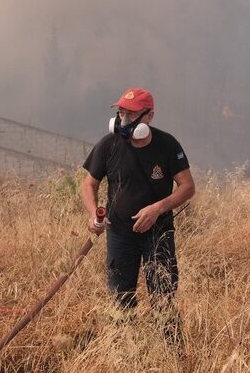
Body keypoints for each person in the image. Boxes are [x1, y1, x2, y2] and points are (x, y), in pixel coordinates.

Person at [80, 88, 195, 332]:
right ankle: (126, 349)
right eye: (121, 112)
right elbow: (89, 183)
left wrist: (157, 208)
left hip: (158, 233)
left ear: (149, 116)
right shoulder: (109, 144)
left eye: (131, 113)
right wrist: (93, 213)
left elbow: (187, 187)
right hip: (120, 234)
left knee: (163, 295)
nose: (124, 119)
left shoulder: (167, 144)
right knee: (120, 298)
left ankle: (168, 350)